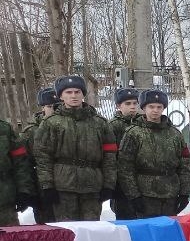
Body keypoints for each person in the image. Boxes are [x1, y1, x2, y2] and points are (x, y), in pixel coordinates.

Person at [33, 74, 117, 222]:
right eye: (69, 92)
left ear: (83, 94)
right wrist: (47, 186)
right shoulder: (50, 123)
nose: (74, 96)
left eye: (77, 92)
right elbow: (42, 157)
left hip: (92, 186)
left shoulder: (100, 123)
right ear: (61, 96)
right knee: (68, 230)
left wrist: (109, 184)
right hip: (63, 186)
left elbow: (109, 157)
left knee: (91, 230)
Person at [117, 89, 190, 218]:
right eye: (151, 107)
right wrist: (133, 195)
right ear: (144, 108)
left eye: (159, 107)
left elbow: (185, 166)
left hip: (170, 194)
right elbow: (125, 167)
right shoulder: (133, 133)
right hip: (144, 194)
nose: (155, 110)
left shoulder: (175, 134)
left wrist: (185, 193)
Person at [19, 87, 57, 223]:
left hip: (66, 186)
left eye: (57, 106)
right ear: (43, 108)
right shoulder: (30, 132)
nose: (54, 110)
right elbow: (24, 165)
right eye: (50, 106)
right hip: (41, 189)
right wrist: (30, 192)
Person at [110, 87, 143, 219]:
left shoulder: (143, 124)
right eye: (128, 104)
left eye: (135, 103)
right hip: (121, 181)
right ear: (119, 106)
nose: (132, 107)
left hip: (142, 180)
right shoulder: (113, 126)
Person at [1, 112, 34, 226]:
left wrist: (24, 191)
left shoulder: (5, 129)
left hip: (5, 203)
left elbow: (21, 163)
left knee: (11, 236)